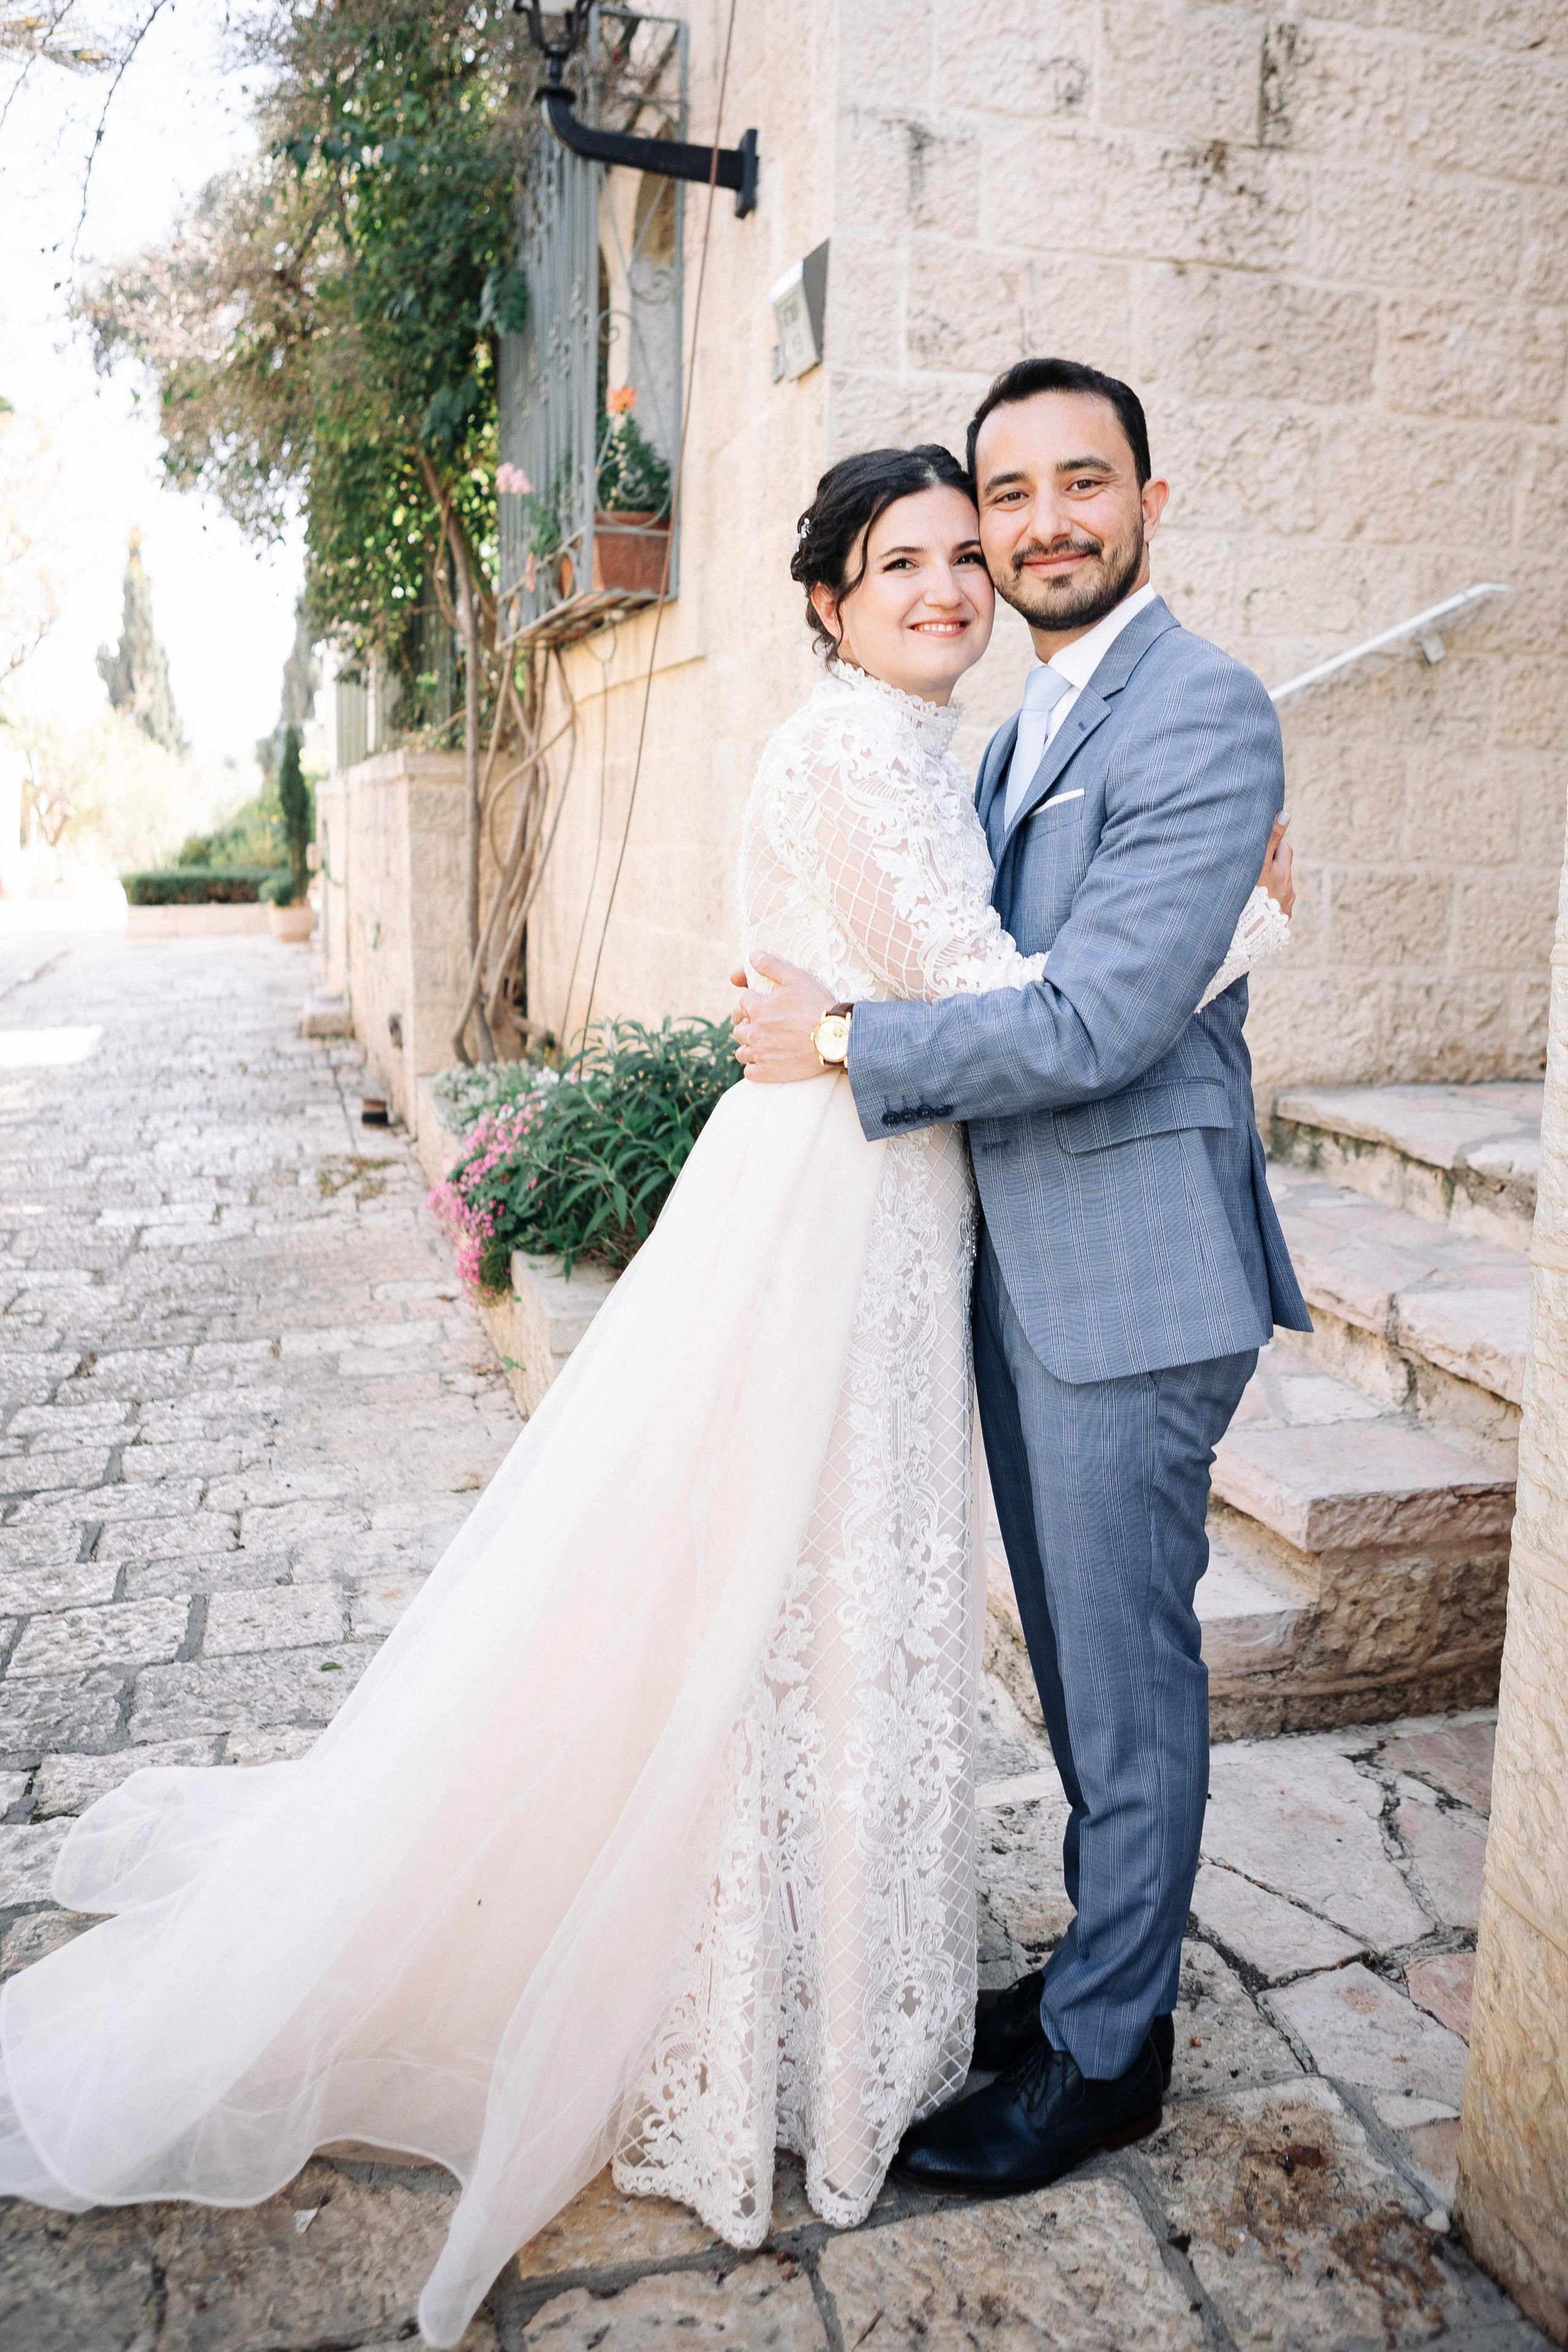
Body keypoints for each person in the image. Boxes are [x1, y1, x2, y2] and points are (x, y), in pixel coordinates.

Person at [0, 423, 1291, 2349]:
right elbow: (1025, 996)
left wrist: (1162, 940)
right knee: (807, 1607)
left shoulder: (1006, 732)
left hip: (914, 1209)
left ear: (1142, 504)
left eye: (980, 544)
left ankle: (1058, 2014)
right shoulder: (882, 746)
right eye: (918, 557)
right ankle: (898, 2003)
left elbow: (1055, 1006)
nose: (960, 579)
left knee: (924, 1625)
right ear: (827, 602)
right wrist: (1222, 929)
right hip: (854, 1217)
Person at [733, 356, 1311, 2198]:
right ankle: (1092, 1969)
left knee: (1124, 1680)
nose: (1043, 521)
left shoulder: (1201, 710)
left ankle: (1106, 2056)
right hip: (1015, 1258)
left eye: (1087, 481)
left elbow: (1095, 1019)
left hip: (1131, 1269)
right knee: (1072, 1668)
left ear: (1152, 499)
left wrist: (840, 1045)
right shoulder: (1009, 730)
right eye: (1013, 490)